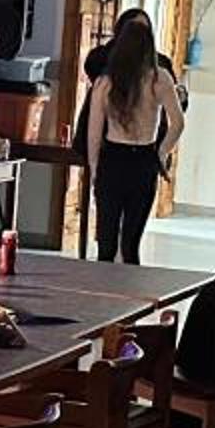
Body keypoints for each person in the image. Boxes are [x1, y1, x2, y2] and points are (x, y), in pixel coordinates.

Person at [82, 13, 183, 264]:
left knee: (106, 241)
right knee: (131, 243)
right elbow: (178, 123)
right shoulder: (159, 78)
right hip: (144, 160)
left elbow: (94, 131)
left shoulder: (105, 83)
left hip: (112, 159)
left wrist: (94, 166)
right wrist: (161, 152)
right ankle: (131, 287)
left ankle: (102, 287)